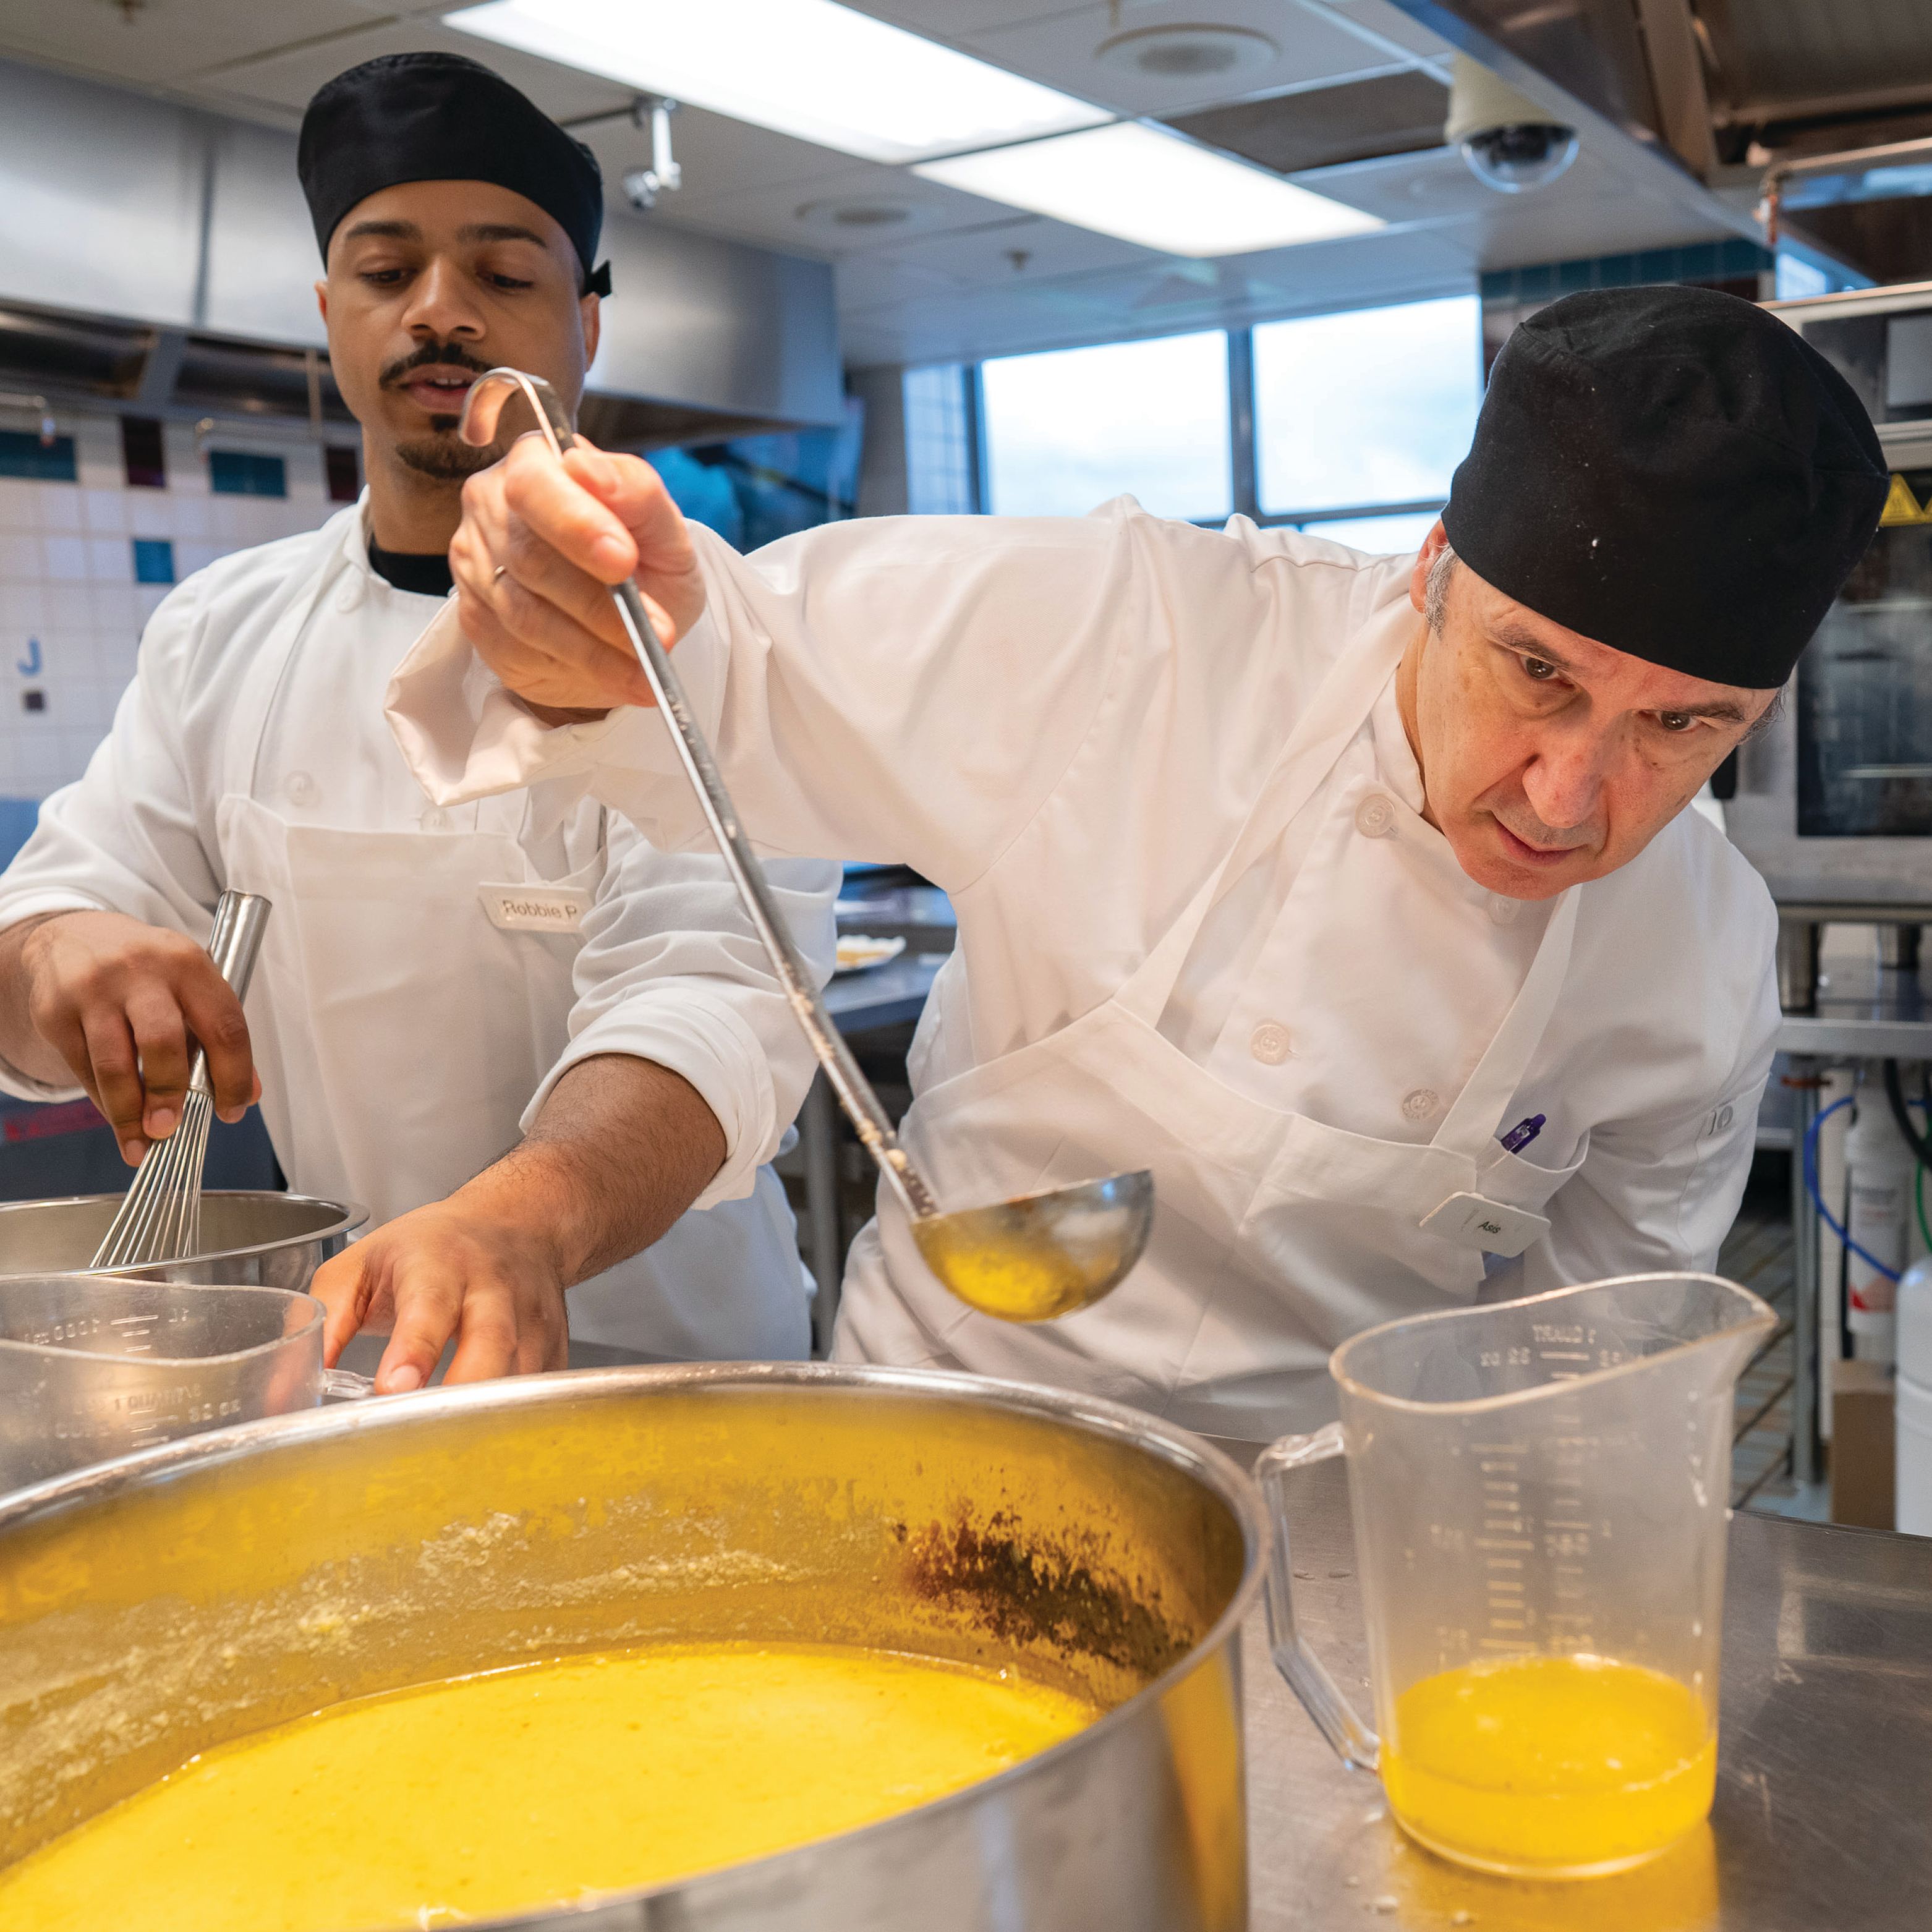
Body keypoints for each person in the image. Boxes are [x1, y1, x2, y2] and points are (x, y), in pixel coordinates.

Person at [387, 284, 1887, 1439]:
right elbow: (739, 665)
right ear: (1434, 574)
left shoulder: (1697, 952)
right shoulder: (1143, 639)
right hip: (950, 1437)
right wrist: (586, 630)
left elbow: (1597, 1368)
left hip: (1344, 1521)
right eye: (1539, 676)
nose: (1572, 797)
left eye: (1683, 726)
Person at [0, 53, 840, 1390]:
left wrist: (527, 1214)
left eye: (504, 276)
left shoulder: (708, 631)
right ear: (331, 312)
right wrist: (63, 961)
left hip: (671, 1373)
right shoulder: (220, 632)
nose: (440, 313)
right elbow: (51, 930)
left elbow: (716, 1000)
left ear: (586, 326)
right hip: (356, 1374)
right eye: (388, 274)